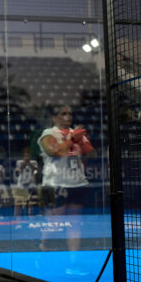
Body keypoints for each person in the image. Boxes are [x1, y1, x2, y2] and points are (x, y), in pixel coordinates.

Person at [38, 105, 95, 271]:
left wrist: (83, 141)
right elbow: (54, 152)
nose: (68, 116)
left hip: (77, 183)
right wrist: (72, 139)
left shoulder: (77, 133)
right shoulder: (48, 133)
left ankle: (73, 261)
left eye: (69, 114)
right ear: (54, 118)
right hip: (55, 184)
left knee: (74, 223)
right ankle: (43, 250)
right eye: (63, 114)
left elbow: (92, 154)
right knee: (54, 223)